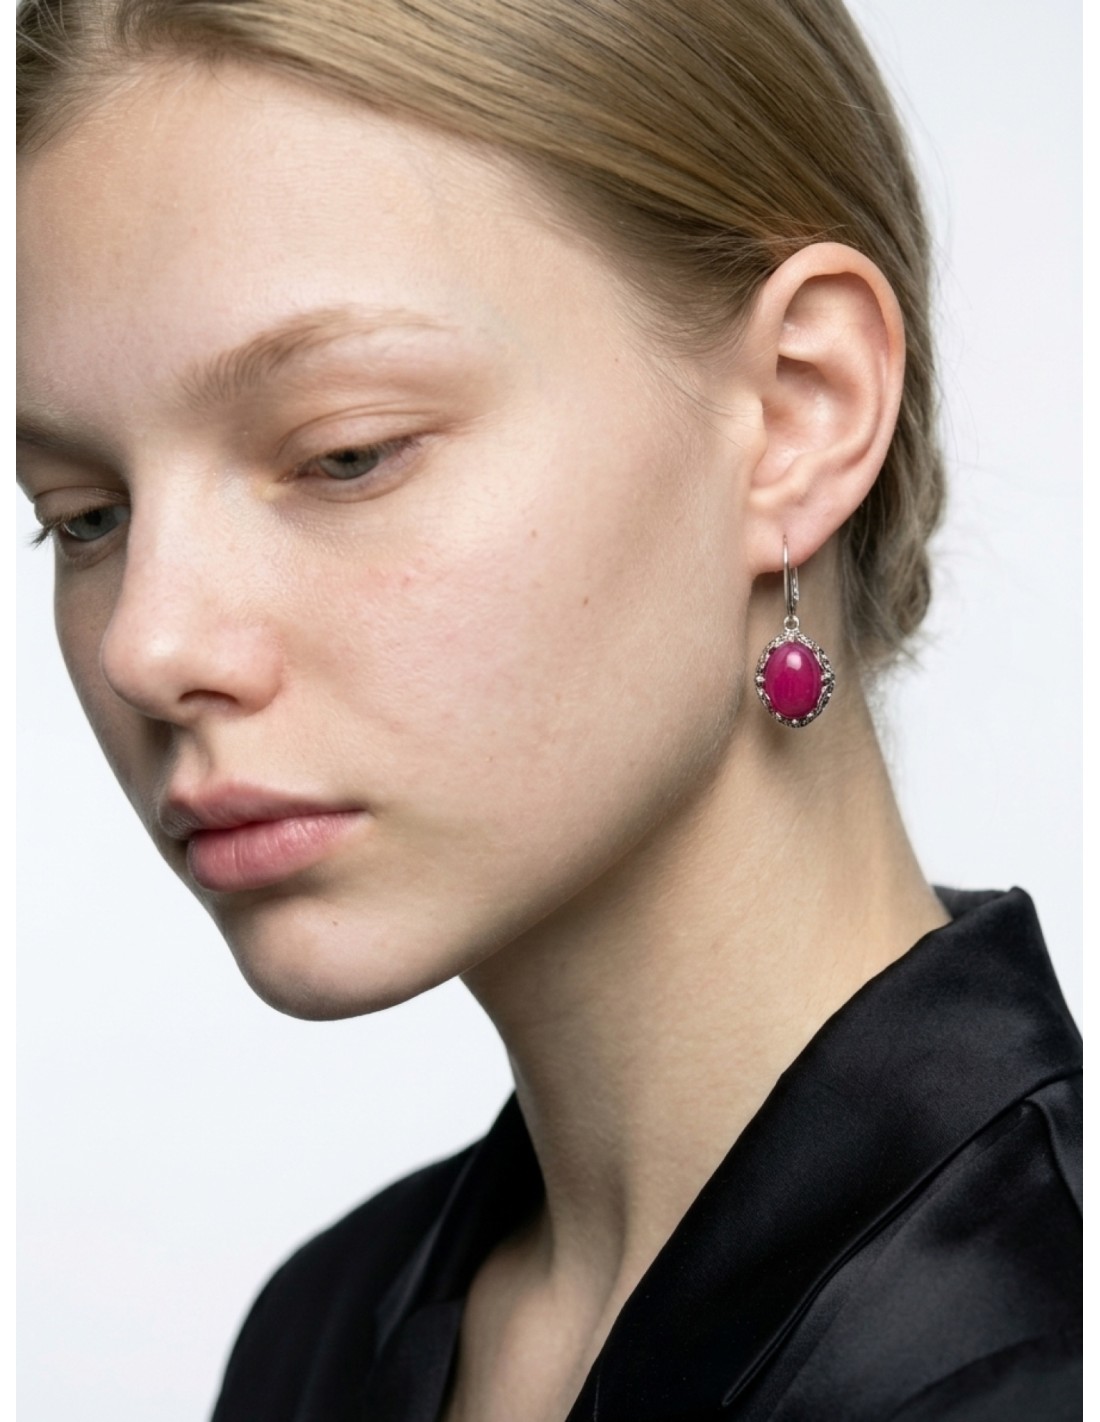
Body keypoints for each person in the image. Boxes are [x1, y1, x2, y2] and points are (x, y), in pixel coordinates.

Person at [16, 1, 1081, 1419]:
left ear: (796, 412)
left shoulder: (1031, 1351)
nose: (147, 644)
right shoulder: (319, 1339)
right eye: (84, 516)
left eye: (346, 453)